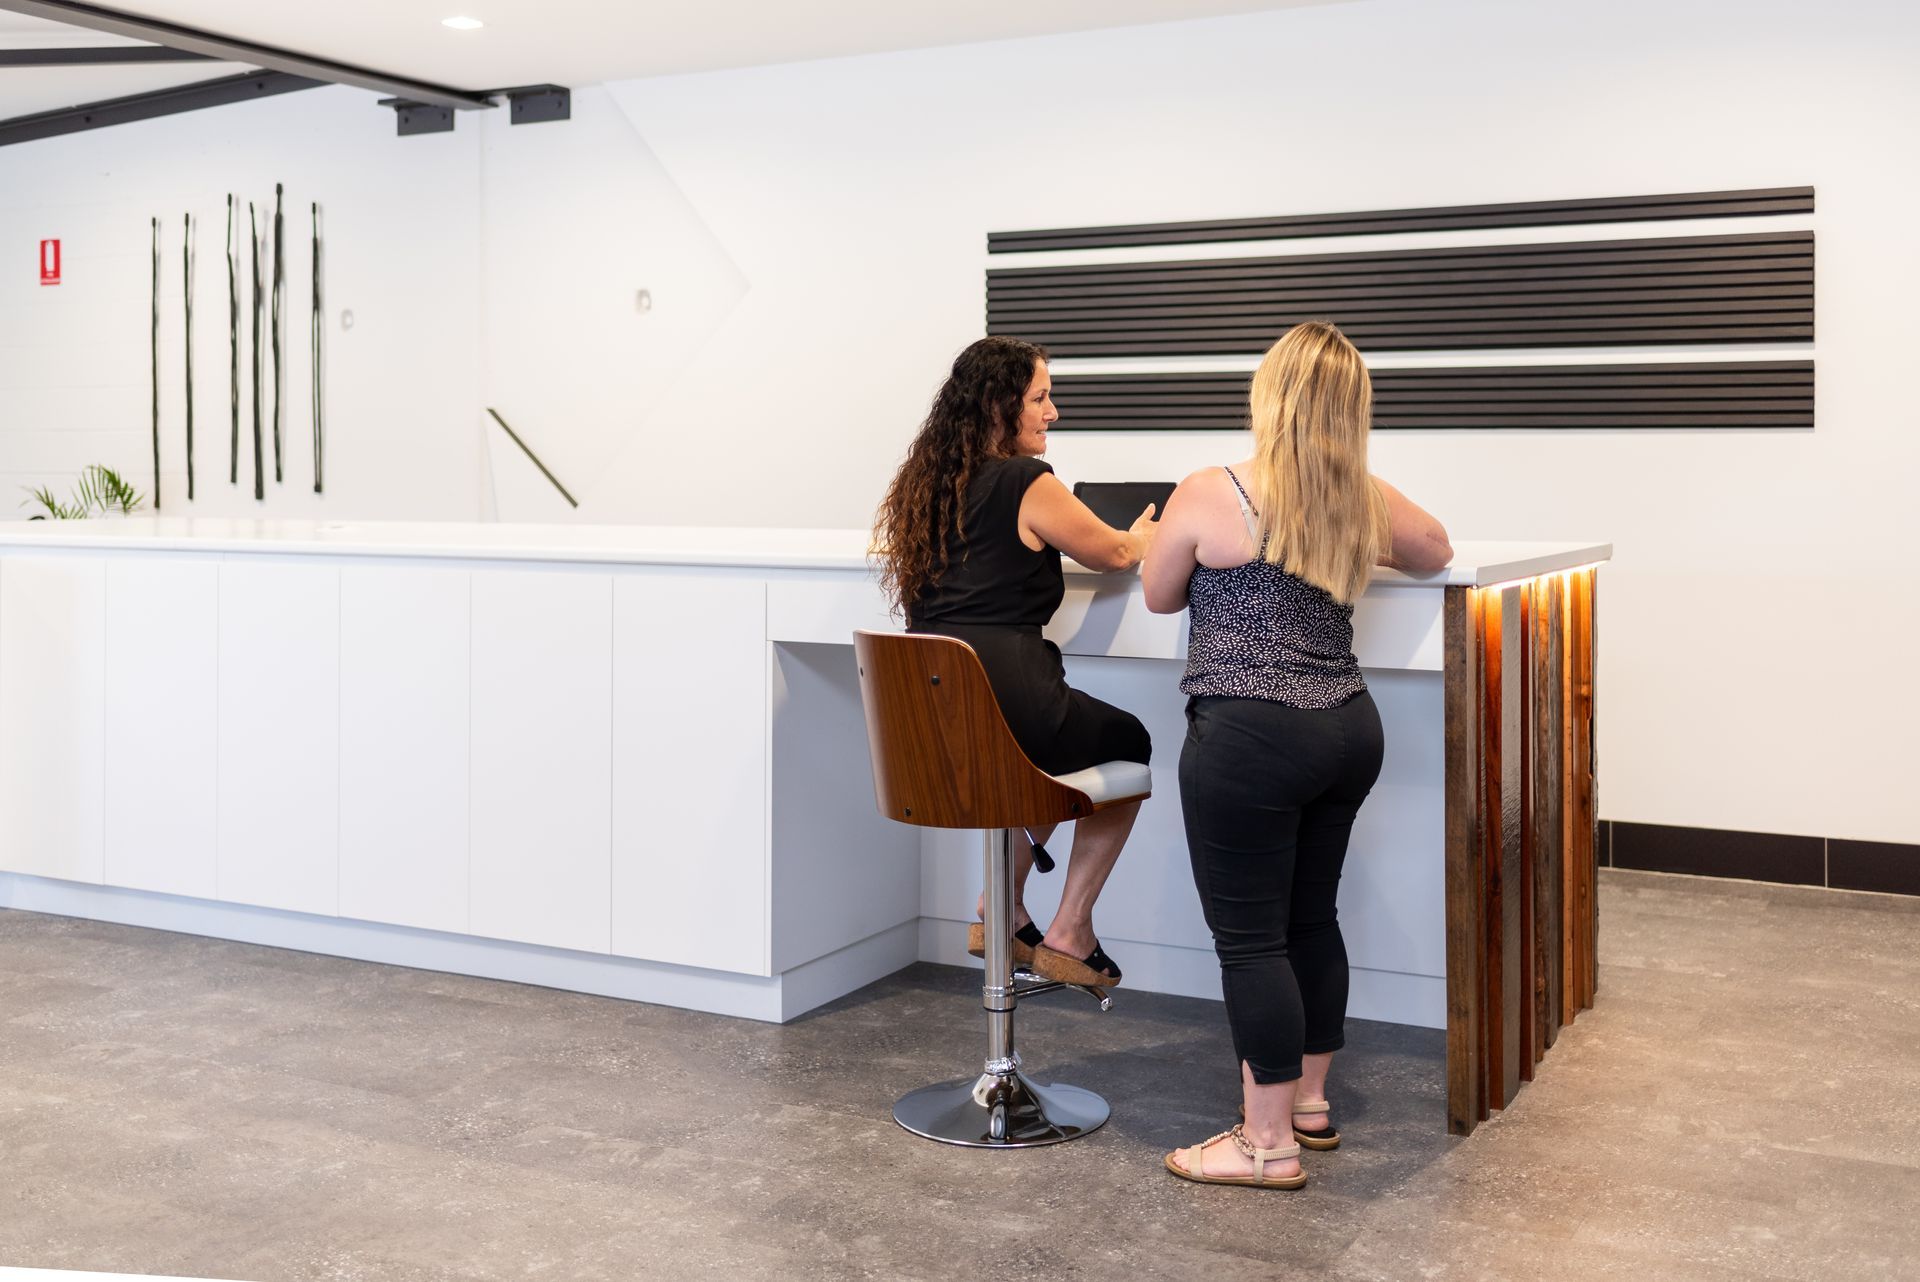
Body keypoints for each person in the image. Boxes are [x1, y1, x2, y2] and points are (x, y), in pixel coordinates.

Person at [1142, 321, 1452, 1188]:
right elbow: (1437, 551)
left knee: (1250, 943)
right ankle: (1309, 1106)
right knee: (1310, 919)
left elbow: (1161, 595)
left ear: (1268, 395)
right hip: (1347, 729)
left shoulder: (1213, 490)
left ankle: (1264, 1143)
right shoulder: (1353, 494)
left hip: (1250, 736)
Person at [873, 336, 1158, 988]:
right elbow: (1113, 554)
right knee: (1125, 746)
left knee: (1041, 762)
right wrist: (1144, 536)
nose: (1052, 411)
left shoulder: (929, 488)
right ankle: (1070, 930)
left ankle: (996, 910)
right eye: (1040, 397)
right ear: (1003, 407)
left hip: (939, 722)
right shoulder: (1027, 481)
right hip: (1013, 707)